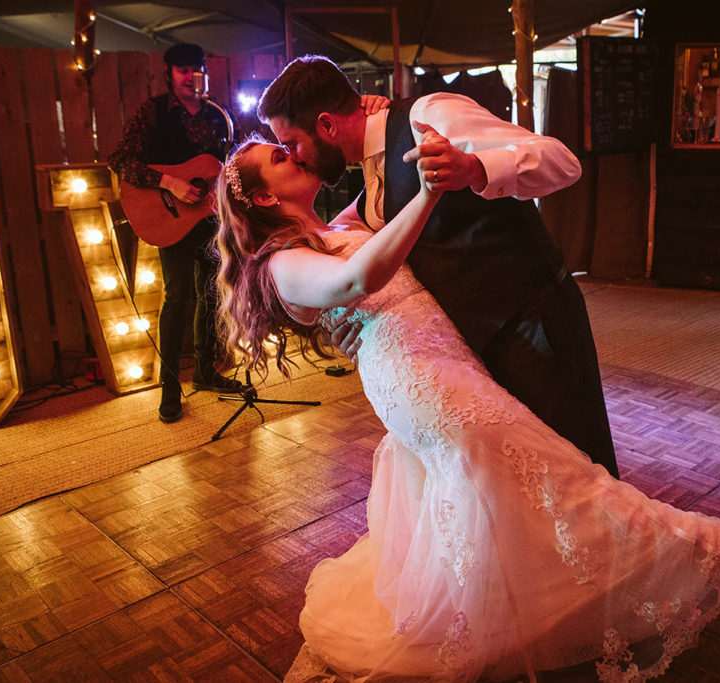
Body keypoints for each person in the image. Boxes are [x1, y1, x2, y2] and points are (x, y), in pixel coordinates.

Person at [213, 137, 720, 682]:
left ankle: (493, 607)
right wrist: (428, 193)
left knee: (508, 495)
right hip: (421, 385)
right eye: (281, 157)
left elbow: (371, 226)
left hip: (445, 367)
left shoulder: (331, 226)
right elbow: (360, 275)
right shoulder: (279, 263)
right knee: (564, 477)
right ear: (265, 196)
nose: (295, 153)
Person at [257, 55, 620, 479]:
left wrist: (475, 167)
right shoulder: (368, 176)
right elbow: (351, 253)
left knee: (578, 468)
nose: (294, 157)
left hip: (532, 321)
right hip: (468, 351)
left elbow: (561, 160)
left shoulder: (430, 115)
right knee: (522, 478)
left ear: (327, 125)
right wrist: (345, 319)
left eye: (292, 143)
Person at [109, 43, 245, 423]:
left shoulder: (218, 115)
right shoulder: (153, 113)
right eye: (182, 70)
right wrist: (168, 182)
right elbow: (120, 159)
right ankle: (169, 387)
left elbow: (228, 163)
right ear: (169, 73)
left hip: (209, 220)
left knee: (213, 294)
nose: (189, 77)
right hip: (170, 220)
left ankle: (205, 371)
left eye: (195, 69)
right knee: (178, 296)